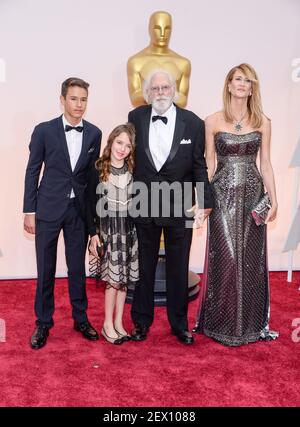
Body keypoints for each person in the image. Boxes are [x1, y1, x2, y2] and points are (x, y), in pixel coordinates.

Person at [193, 63, 279, 346]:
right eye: (237, 79)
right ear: (229, 85)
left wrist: (274, 198)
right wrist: (201, 198)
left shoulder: (263, 121)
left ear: (252, 88)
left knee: (251, 261)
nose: (242, 84)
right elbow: (208, 163)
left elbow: (265, 163)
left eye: (247, 80)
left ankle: (251, 325)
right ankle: (221, 324)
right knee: (226, 259)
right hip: (221, 197)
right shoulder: (213, 121)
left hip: (254, 196)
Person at [128, 70, 214, 345]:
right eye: (155, 89)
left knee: (178, 267)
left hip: (180, 205)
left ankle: (179, 324)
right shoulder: (136, 117)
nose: (161, 92)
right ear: (147, 93)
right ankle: (141, 322)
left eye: (165, 87)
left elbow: (199, 165)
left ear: (174, 90)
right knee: (144, 266)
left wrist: (206, 200)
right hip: (144, 202)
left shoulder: (193, 122)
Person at [23, 77, 102, 349]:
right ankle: (43, 323)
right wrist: (29, 210)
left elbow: (92, 181)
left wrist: (94, 225)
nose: (79, 104)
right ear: (62, 100)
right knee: (45, 270)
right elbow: (33, 170)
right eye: (74, 98)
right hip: (47, 209)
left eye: (83, 99)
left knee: (77, 269)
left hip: (77, 211)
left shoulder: (94, 133)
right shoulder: (44, 131)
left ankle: (80, 319)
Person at [86, 123, 139, 345]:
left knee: (124, 280)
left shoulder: (132, 170)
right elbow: (89, 204)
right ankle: (107, 324)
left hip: (128, 231)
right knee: (112, 281)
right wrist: (93, 234)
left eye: (127, 145)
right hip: (108, 231)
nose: (122, 149)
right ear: (111, 141)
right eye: (119, 143)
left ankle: (119, 323)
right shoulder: (98, 168)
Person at [127, 10, 191, 108]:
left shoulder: (183, 63)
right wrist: (168, 96)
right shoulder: (135, 62)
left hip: (175, 121)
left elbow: (183, 100)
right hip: (144, 120)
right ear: (150, 29)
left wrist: (152, 94)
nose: (162, 34)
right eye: (157, 28)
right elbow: (135, 98)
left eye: (167, 29)